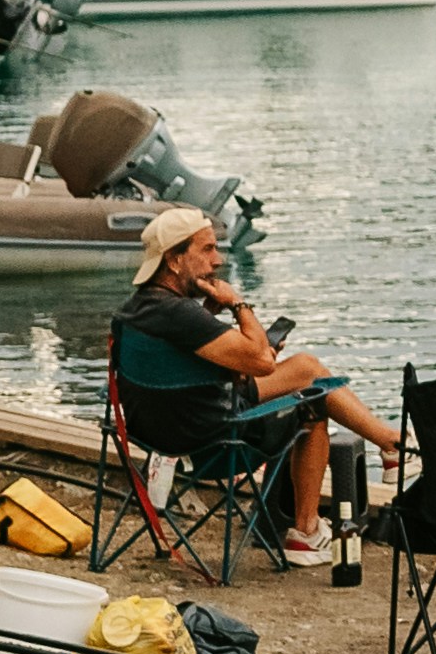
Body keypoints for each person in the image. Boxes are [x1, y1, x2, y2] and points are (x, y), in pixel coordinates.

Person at [112, 208, 407, 568]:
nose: (217, 260)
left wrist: (230, 340)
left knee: (304, 369)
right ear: (174, 260)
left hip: (157, 435)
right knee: (311, 399)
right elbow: (263, 363)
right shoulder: (180, 315)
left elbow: (193, 369)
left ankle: (392, 447)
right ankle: (309, 529)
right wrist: (238, 305)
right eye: (206, 250)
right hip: (212, 443)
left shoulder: (136, 310)